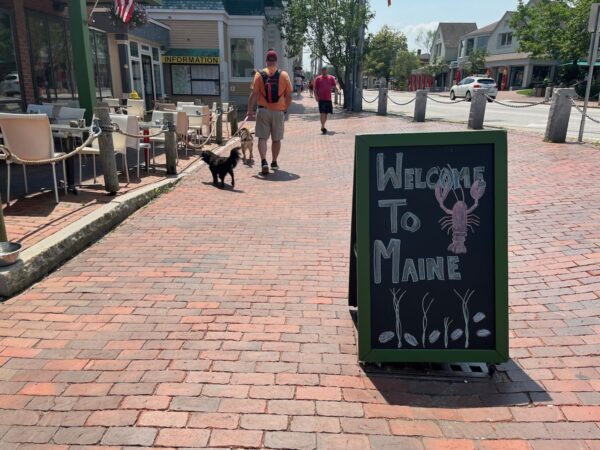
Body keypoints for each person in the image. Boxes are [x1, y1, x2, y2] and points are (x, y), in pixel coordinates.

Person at [247, 50, 293, 175]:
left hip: (263, 110)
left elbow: (254, 94)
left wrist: (249, 110)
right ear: (276, 61)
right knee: (276, 139)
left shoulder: (259, 75)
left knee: (262, 137)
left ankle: (263, 161)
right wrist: (285, 109)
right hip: (278, 111)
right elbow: (289, 96)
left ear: (266, 61)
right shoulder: (284, 75)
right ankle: (274, 161)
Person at [314, 66, 339, 134]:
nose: (324, 71)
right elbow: (315, 88)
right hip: (321, 98)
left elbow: (335, 84)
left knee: (326, 114)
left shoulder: (331, 78)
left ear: (327, 71)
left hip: (328, 98)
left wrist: (338, 89)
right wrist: (316, 96)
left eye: (325, 70)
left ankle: (323, 126)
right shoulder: (318, 79)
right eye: (323, 70)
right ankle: (323, 126)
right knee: (322, 113)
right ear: (321, 71)